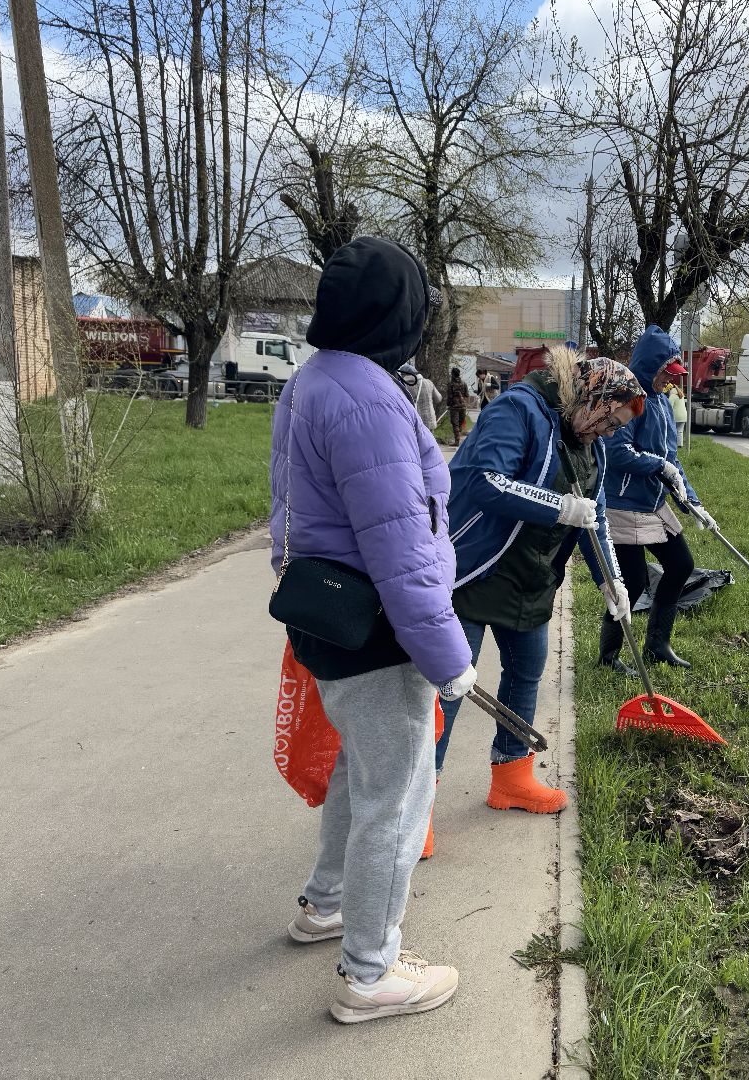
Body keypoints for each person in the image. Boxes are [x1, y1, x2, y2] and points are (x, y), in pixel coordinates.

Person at [269, 236, 478, 1025]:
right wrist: (449, 657)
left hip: (329, 619)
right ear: (399, 312)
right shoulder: (367, 396)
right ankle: (370, 973)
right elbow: (402, 545)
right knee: (398, 798)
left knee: (360, 776)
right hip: (381, 631)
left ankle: (324, 907)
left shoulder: (314, 381)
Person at [437, 346, 643, 826]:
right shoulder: (517, 410)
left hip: (532, 577)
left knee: (526, 672)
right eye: (610, 421)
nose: (610, 433)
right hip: (474, 568)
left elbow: (595, 520)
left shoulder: (593, 445)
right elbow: (484, 480)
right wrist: (557, 506)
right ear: (593, 396)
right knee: (447, 686)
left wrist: (612, 581)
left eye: (616, 429)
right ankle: (416, 801)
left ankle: (512, 775)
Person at [600, 324, 717, 673]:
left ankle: (657, 643)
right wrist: (658, 465)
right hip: (623, 504)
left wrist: (693, 503)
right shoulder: (630, 401)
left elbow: (673, 462)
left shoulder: (663, 403)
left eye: (674, 375)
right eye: (667, 374)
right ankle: (608, 656)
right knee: (633, 583)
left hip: (653, 504)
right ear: (651, 367)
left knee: (680, 565)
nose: (671, 381)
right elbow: (616, 450)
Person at [446, 366, 469, 445]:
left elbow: (449, 396)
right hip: (463, 406)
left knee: (455, 423)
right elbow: (467, 394)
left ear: (452, 374)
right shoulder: (464, 383)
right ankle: (458, 437)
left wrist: (448, 404)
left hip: (454, 407)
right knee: (460, 422)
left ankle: (457, 440)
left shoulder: (451, 384)